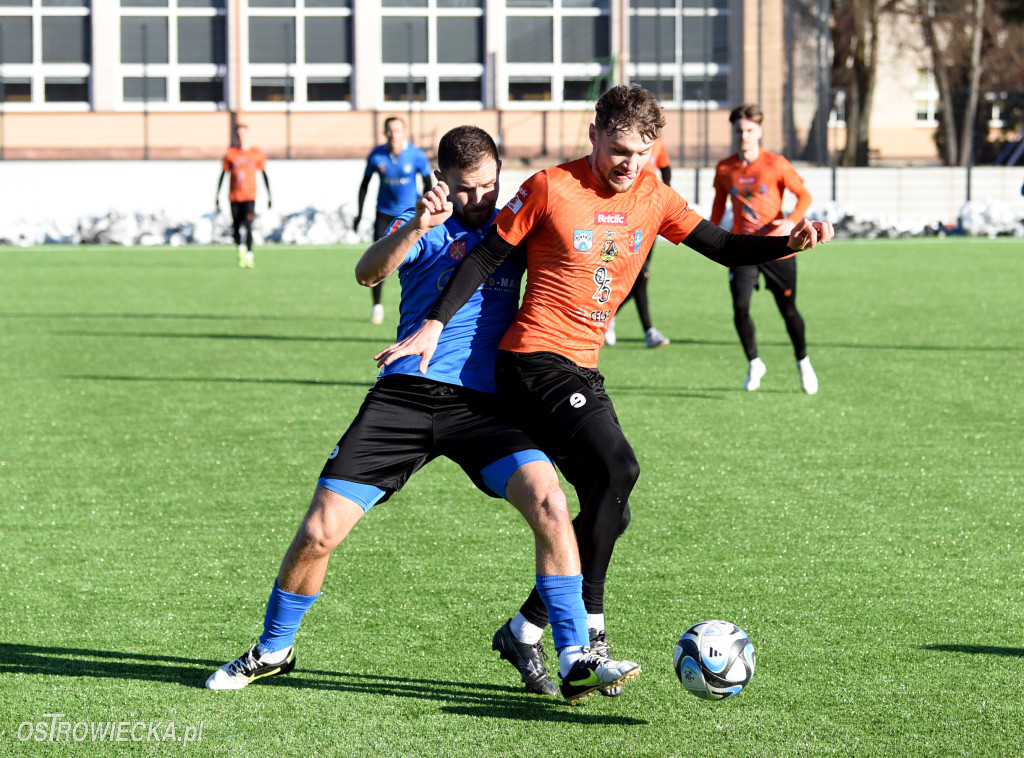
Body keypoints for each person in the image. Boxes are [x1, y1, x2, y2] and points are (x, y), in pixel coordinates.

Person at [375, 86, 833, 696]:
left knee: (608, 507)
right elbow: (484, 258)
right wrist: (433, 323)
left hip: (582, 368)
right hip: (532, 359)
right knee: (619, 467)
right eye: (618, 150)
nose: (629, 164)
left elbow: (721, 246)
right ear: (594, 136)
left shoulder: (654, 195)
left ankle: (525, 629)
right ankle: (589, 636)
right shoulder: (548, 187)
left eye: (642, 153)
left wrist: (788, 242)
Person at [205, 126, 640, 704]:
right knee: (318, 532)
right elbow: (367, 274)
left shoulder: (515, 220)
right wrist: (415, 225)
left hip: (486, 406)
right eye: (465, 190)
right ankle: (274, 650)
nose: (478, 200)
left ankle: (573, 655)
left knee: (552, 504)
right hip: (405, 396)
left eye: (488, 186)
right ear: (442, 182)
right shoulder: (425, 224)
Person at [710, 104, 818, 394]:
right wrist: (710, 232)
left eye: (749, 130)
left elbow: (804, 196)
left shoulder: (776, 164)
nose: (743, 136)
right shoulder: (724, 168)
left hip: (777, 248)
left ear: (759, 131)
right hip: (741, 249)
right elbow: (719, 205)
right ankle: (755, 361)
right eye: (739, 130)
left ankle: (803, 361)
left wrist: (790, 223)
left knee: (788, 310)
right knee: (740, 307)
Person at [353, 117, 433, 324]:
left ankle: (420, 306)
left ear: (404, 132)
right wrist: (360, 214)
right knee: (379, 258)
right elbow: (364, 185)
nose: (393, 135)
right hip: (383, 214)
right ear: (384, 132)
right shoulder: (377, 156)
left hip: (410, 216)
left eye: (397, 131)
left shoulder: (416, 155)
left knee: (415, 261)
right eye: (389, 131)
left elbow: (427, 183)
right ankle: (377, 306)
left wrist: (428, 211)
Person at [605, 135, 672, 350]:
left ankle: (608, 316)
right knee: (640, 275)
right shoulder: (622, 142)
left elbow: (666, 168)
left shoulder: (658, 144)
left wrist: (664, 196)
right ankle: (649, 331)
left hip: (648, 217)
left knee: (640, 276)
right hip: (625, 216)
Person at [216, 123, 271, 269]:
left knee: (248, 225)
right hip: (234, 197)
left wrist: (269, 195)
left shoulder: (256, 153)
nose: (241, 138)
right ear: (235, 137)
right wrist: (217, 195)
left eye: (244, 134)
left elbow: (264, 174)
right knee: (236, 226)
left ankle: (249, 256)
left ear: (248, 135)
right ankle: (240, 250)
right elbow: (223, 175)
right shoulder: (231, 154)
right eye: (239, 135)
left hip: (249, 196)